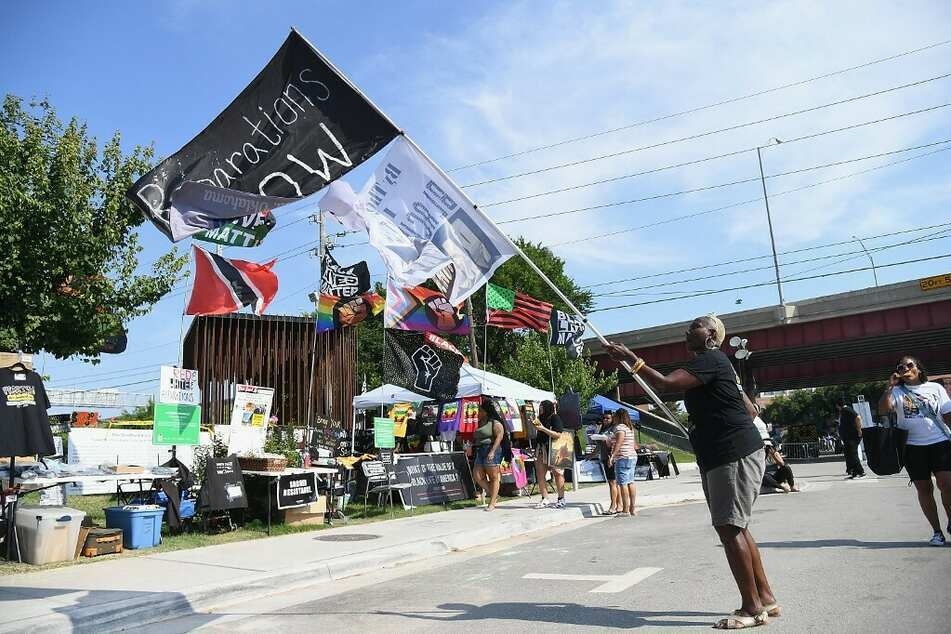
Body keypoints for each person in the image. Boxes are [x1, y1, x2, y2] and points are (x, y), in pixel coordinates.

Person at [606, 314, 778, 629]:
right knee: (735, 526)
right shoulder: (718, 364)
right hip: (723, 453)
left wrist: (631, 358)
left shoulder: (711, 359)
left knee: (730, 527)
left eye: (694, 326)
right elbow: (750, 409)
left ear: (712, 334)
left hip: (731, 453)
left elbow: (668, 384)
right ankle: (765, 597)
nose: (687, 330)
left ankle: (752, 608)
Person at [878, 355, 951, 546]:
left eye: (909, 365)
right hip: (912, 447)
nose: (905, 369)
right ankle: (937, 532)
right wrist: (889, 388)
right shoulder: (896, 391)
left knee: (947, 485)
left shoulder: (935, 388)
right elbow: (884, 410)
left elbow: (947, 413)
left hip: (940, 442)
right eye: (900, 368)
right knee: (924, 489)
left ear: (918, 368)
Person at [532, 400, 567, 509]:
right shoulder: (541, 418)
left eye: (542, 406)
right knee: (540, 474)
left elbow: (558, 434)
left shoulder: (555, 417)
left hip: (554, 450)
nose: (540, 408)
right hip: (541, 449)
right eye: (540, 406)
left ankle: (561, 498)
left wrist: (543, 428)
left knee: (557, 473)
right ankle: (545, 498)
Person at [472, 398, 505, 512]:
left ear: (486, 411)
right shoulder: (479, 422)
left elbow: (499, 437)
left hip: (491, 449)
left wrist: (492, 451)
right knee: (477, 475)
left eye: (480, 410)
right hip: (480, 450)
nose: (478, 413)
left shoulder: (495, 423)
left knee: (493, 477)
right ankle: (494, 494)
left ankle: (492, 503)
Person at [608, 408, 639, 516]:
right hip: (632, 456)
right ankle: (632, 508)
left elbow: (619, 443)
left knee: (623, 483)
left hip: (623, 457)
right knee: (631, 482)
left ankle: (625, 509)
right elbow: (634, 445)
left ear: (618, 416)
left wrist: (612, 456)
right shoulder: (629, 428)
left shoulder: (619, 428)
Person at [598, 411, 622, 515]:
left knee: (613, 482)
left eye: (608, 418)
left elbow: (615, 443)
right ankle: (619, 504)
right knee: (613, 483)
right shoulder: (602, 429)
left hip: (611, 457)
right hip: (604, 456)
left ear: (612, 419)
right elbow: (599, 445)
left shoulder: (614, 429)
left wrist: (607, 441)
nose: (605, 420)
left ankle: (613, 506)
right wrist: (591, 455)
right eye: (604, 418)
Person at [836, 398, 865, 478]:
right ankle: (854, 472)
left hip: (852, 436)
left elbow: (858, 417)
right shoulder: (844, 411)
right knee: (849, 454)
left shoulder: (846, 410)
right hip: (848, 437)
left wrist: (859, 430)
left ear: (838, 405)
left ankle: (861, 471)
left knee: (853, 454)